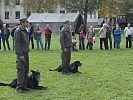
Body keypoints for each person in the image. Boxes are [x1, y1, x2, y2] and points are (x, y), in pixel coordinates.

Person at [14, 18, 30, 93]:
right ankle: (19, 87)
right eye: (26, 22)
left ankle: (24, 85)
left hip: (26, 53)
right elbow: (17, 43)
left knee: (26, 69)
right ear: (22, 23)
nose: (28, 23)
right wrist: (20, 54)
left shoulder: (25, 30)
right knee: (21, 70)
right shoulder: (18, 31)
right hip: (21, 54)